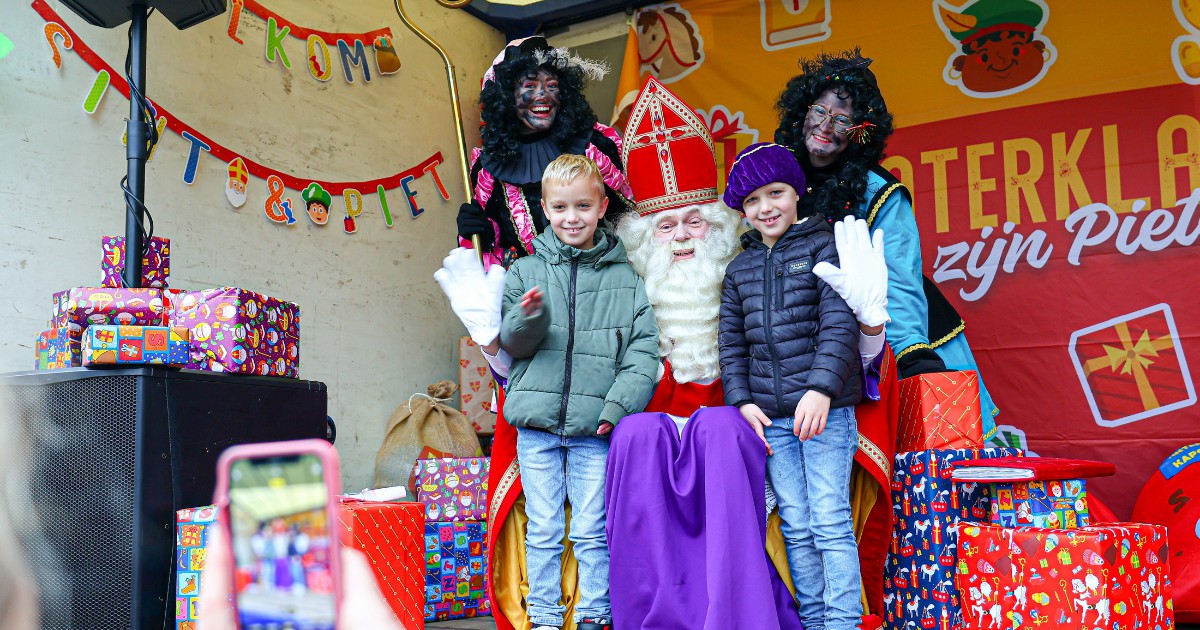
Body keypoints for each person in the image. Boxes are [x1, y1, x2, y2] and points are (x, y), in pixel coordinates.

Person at [774, 48, 1000, 437]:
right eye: (819, 111)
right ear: (802, 111)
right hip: (804, 346)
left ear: (861, 130)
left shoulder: (880, 192)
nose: (826, 126)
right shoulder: (774, 183)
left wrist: (911, 355)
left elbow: (899, 279)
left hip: (879, 335)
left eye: (842, 119)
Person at [496, 153, 659, 630]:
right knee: (544, 528)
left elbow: (642, 354)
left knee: (591, 530)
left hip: (596, 427)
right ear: (545, 208)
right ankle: (544, 615)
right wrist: (528, 318)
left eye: (583, 206)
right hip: (537, 426)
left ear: (602, 206)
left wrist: (616, 407)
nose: (573, 218)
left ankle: (593, 613)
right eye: (562, 207)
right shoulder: (524, 272)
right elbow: (512, 344)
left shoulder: (626, 279)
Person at [719, 142, 864, 630]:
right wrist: (740, 401)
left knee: (829, 523)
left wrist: (821, 389)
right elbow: (731, 345)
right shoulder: (738, 269)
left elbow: (840, 324)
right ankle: (817, 621)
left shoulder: (825, 245)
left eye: (776, 192)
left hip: (823, 411)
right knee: (798, 528)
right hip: (773, 419)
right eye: (753, 200)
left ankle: (843, 622)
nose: (766, 207)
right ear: (743, 210)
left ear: (797, 191)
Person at [456, 36, 634, 265]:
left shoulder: (595, 144)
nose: (543, 95)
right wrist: (481, 235)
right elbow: (495, 254)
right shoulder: (488, 168)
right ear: (506, 97)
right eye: (530, 86)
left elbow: (634, 217)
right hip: (533, 293)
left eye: (552, 86)